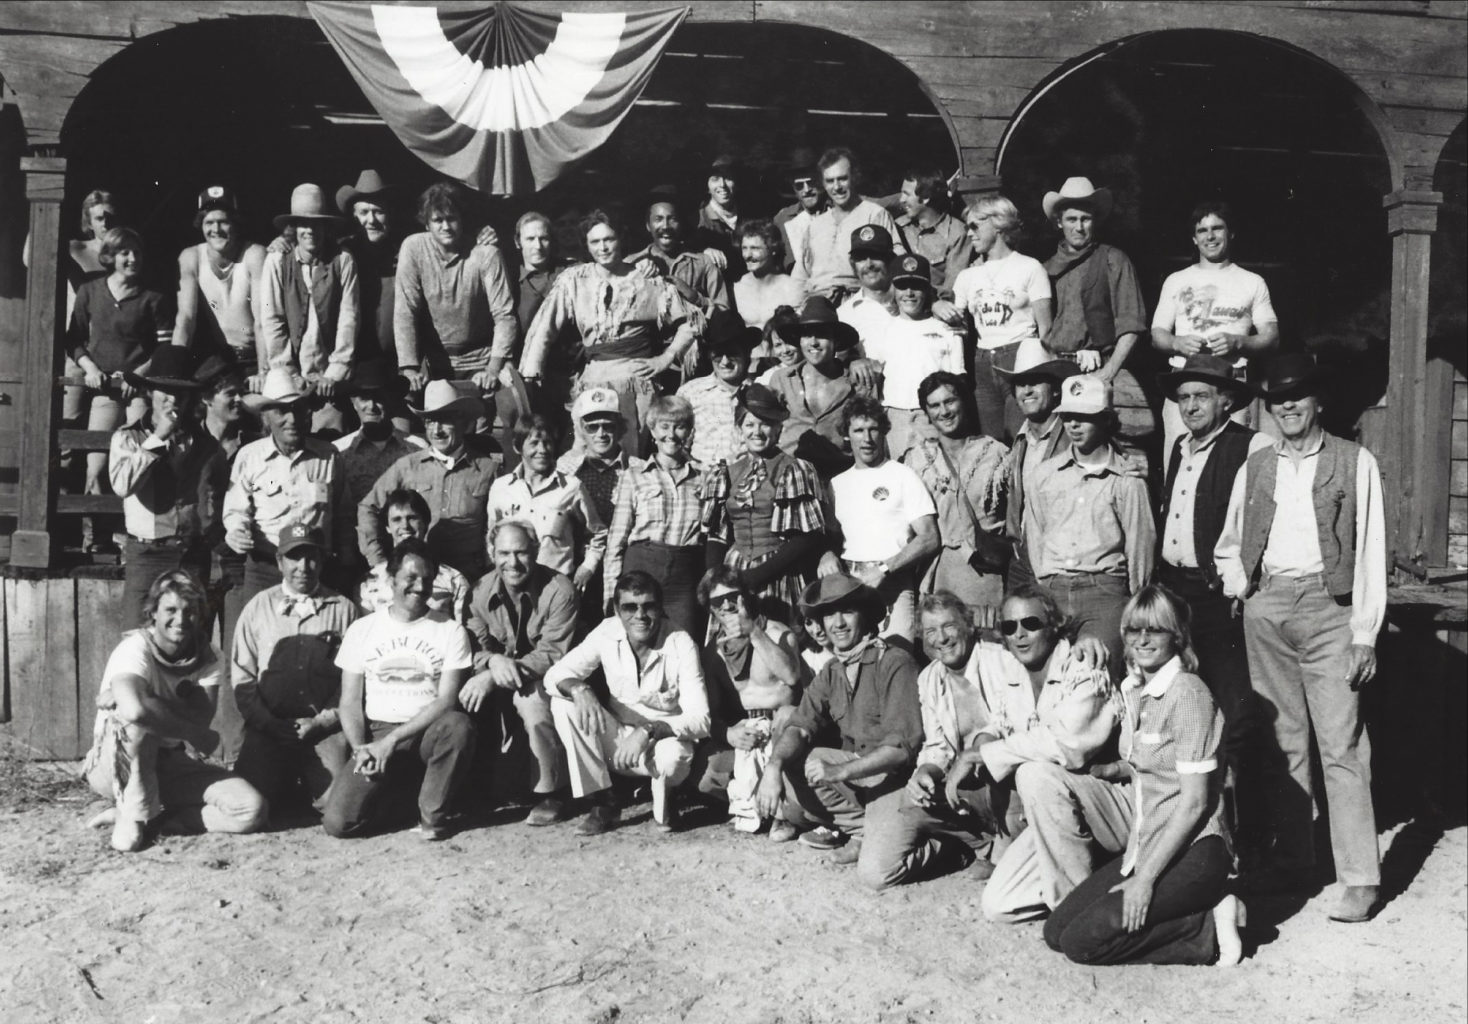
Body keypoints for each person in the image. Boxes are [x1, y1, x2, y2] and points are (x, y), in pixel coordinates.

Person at [1213, 353, 1386, 923]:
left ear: (1319, 401)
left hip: (1330, 609)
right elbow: (1229, 541)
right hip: (1268, 607)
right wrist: (1244, 589)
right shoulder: (1257, 465)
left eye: (1297, 395)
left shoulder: (1354, 461)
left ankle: (1360, 879)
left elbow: (1371, 550)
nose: (1286, 405)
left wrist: (1365, 632)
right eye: (1277, 398)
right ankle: (1293, 863)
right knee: (1283, 742)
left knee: (1342, 745)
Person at [1044, 584, 1242, 967]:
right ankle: (1189, 916)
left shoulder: (1187, 694)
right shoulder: (1136, 690)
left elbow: (1195, 802)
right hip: (1148, 843)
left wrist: (1145, 880)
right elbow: (1158, 761)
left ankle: (1207, 928)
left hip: (1195, 851)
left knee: (1081, 944)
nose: (1143, 639)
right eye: (1134, 629)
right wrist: (1114, 769)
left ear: (1177, 636)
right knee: (1057, 932)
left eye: (1156, 629)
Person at [1156, 353, 1273, 833]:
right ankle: (1187, 821)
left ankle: (1246, 828)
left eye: (1201, 396)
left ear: (1226, 401)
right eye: (1184, 397)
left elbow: (1262, 522)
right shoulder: (1179, 447)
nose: (1191, 406)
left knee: (1236, 710)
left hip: (1221, 594)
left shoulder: (1252, 446)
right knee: (1184, 705)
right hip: (1176, 593)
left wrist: (1243, 583)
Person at [754, 575, 924, 888]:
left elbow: (901, 752)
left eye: (847, 611)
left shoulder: (894, 662)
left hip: (896, 782)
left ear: (866, 616)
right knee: (795, 756)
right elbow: (800, 725)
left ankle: (941, 845)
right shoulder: (833, 670)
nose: (838, 623)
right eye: (829, 614)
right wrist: (773, 766)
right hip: (860, 780)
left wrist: (839, 771)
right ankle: (861, 831)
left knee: (876, 875)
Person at [965, 585, 1122, 923]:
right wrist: (979, 745)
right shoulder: (1013, 672)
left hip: (1108, 802)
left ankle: (1079, 911)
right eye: (1010, 627)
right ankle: (1102, 876)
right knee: (999, 904)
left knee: (1033, 772)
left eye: (1031, 623)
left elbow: (1069, 745)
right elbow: (1001, 723)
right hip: (1058, 814)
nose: (1019, 635)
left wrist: (988, 754)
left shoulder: (1082, 664)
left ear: (1053, 626)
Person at [82, 570, 268, 852]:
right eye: (170, 610)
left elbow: (200, 717)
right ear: (153, 613)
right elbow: (136, 712)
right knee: (138, 726)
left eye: (189, 611)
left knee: (251, 809)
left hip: (168, 761)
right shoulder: (134, 648)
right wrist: (187, 725)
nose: (180, 620)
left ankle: (159, 820)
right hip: (115, 764)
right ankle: (133, 816)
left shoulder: (208, 656)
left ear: (200, 615)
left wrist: (150, 701)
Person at [323, 538, 478, 840]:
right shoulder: (362, 629)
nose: (420, 587)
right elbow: (350, 701)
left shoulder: (450, 630)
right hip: (377, 732)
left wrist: (393, 740)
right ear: (391, 579)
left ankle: (432, 817)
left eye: (427, 579)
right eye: (411, 578)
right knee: (338, 823)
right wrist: (361, 748)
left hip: (426, 733)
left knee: (458, 725)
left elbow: (446, 701)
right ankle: (406, 800)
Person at [520, 210, 700, 458]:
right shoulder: (575, 279)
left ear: (620, 239)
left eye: (609, 239)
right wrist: (531, 373)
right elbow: (544, 327)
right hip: (592, 379)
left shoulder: (647, 279)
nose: (602, 248)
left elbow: (691, 322)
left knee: (632, 454)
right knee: (587, 453)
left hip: (636, 381)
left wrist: (665, 358)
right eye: (595, 241)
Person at [545, 570, 711, 835]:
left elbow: (701, 720)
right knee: (564, 702)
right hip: (618, 740)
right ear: (616, 610)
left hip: (661, 743)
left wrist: (649, 730)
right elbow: (554, 675)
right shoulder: (607, 631)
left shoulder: (681, 643)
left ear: (661, 608)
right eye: (630, 607)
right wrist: (580, 688)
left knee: (673, 762)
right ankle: (604, 800)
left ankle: (668, 794)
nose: (640, 615)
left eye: (649, 606)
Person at [891, 592, 1020, 887]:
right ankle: (980, 843)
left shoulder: (1001, 660)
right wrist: (925, 772)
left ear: (968, 626)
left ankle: (1006, 841)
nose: (941, 638)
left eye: (949, 626)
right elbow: (937, 746)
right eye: (931, 631)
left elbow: (1011, 725)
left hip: (1007, 780)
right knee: (911, 802)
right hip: (966, 785)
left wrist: (974, 752)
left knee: (999, 766)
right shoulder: (929, 678)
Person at [1027, 374, 1155, 670]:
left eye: (1084, 417)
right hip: (1053, 589)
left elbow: (1140, 545)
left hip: (1104, 591)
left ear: (1106, 420)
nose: (1073, 425)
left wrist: (1133, 598)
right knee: (1050, 673)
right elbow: (1035, 535)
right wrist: (1044, 584)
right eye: (1068, 417)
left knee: (1096, 674)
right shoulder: (1044, 475)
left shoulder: (1127, 479)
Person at [231, 524, 358, 815]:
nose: (303, 567)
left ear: (322, 561)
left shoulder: (344, 610)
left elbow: (351, 681)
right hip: (270, 728)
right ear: (279, 562)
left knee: (337, 806)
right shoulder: (257, 607)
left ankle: (307, 783)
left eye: (311, 557)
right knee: (251, 803)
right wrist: (268, 722)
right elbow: (242, 677)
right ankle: (285, 782)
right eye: (294, 557)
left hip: (322, 730)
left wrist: (322, 722)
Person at [462, 520, 578, 826]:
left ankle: (552, 792)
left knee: (533, 703)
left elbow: (552, 653)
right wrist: (491, 663)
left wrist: (497, 672)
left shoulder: (560, 591)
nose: (512, 562)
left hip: (546, 678)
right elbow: (473, 647)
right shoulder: (477, 593)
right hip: (498, 676)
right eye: (504, 553)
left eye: (521, 552)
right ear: (492, 553)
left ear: (536, 551)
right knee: (465, 694)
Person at [67, 226, 175, 553]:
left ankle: (128, 539)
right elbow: (74, 340)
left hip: (138, 393)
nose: (131, 259)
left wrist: (137, 376)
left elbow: (164, 348)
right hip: (105, 392)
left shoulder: (153, 298)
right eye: (124, 252)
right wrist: (90, 368)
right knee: (96, 466)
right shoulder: (90, 291)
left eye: (136, 252)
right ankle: (95, 539)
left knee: (137, 462)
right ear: (110, 256)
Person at [1151, 200, 1279, 454]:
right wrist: (1177, 342)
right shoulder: (1176, 280)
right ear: (1194, 238)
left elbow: (1271, 337)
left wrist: (1238, 342)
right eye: (1202, 230)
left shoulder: (1252, 281)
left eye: (1217, 228)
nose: (1210, 236)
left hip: (1230, 385)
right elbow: (1157, 335)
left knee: (1230, 462)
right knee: (1180, 460)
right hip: (1185, 381)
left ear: (1231, 233)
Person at [110, 347, 228, 621]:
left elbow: (220, 489)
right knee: (137, 632)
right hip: (147, 554)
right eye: (165, 391)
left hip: (190, 554)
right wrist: (158, 438)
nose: (172, 400)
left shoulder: (205, 443)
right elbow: (122, 486)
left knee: (190, 633)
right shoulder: (127, 438)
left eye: (181, 393)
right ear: (150, 392)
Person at [223, 367, 352, 605]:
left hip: (315, 569)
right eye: (282, 411)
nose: (291, 420)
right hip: (265, 569)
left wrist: (345, 559)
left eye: (298, 410)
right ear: (265, 417)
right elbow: (236, 510)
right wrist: (237, 532)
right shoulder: (250, 457)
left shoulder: (328, 456)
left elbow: (343, 514)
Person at [1042, 177, 1153, 451]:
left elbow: (1131, 325)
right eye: (1071, 219)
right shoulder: (1044, 269)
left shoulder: (1113, 259)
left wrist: (1108, 371)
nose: (1079, 227)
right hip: (1056, 371)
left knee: (1112, 451)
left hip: (1099, 370)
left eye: (1086, 219)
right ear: (1059, 222)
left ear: (1096, 221)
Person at [703, 383, 828, 627]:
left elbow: (806, 537)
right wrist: (717, 579)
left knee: (779, 637)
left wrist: (756, 576)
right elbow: (717, 535)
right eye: (749, 425)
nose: (757, 432)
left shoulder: (794, 469)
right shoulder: (726, 473)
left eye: (765, 424)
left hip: (779, 571)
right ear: (740, 429)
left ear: (779, 428)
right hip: (735, 570)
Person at [820, 395, 939, 644]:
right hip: (850, 586)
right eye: (858, 430)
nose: (867, 438)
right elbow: (831, 537)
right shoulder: (837, 484)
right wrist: (827, 555)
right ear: (846, 434)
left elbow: (929, 537)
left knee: (897, 653)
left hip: (893, 582)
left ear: (884, 431)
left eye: (873, 429)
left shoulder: (903, 475)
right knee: (853, 657)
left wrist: (884, 569)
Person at [358, 379, 502, 582]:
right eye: (430, 421)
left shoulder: (487, 470)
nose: (437, 430)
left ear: (463, 422)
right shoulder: (407, 466)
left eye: (445, 420)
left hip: (471, 578)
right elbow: (368, 507)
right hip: (415, 577)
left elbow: (499, 525)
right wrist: (379, 561)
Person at [699, 568, 802, 833]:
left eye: (733, 596)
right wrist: (730, 734)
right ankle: (758, 805)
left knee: (787, 718)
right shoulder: (713, 652)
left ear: (746, 596)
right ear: (711, 609)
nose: (726, 605)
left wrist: (754, 632)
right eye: (717, 601)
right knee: (705, 776)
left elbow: (791, 676)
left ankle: (784, 812)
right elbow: (711, 715)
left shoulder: (777, 633)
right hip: (749, 733)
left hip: (782, 729)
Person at [902, 372, 1009, 625]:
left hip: (982, 572)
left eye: (950, 401)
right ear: (927, 412)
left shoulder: (996, 453)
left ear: (964, 401)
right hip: (936, 575)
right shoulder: (916, 460)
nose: (944, 412)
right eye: (935, 405)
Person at [393, 182, 517, 395]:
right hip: (434, 360)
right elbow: (406, 310)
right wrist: (409, 368)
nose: (446, 227)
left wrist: (493, 369)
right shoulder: (414, 248)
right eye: (437, 220)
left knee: (508, 400)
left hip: (481, 359)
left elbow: (504, 315)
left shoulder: (485, 254)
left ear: (461, 219)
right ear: (427, 224)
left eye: (451, 219)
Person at [603, 395, 710, 637]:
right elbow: (616, 540)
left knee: (683, 642)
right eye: (664, 426)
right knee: (635, 642)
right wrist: (611, 591)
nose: (671, 434)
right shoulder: (634, 476)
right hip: (640, 571)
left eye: (680, 427)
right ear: (652, 430)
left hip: (683, 579)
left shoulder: (704, 477)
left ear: (689, 431)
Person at [954, 195, 1053, 442]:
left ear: (997, 224)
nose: (969, 234)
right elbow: (955, 327)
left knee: (1021, 436)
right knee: (992, 443)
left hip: (1020, 359)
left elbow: (1046, 329)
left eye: (975, 226)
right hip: (981, 363)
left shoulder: (1030, 267)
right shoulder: (967, 276)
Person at [259, 183, 358, 429]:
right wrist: (289, 373)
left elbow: (349, 318)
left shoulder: (342, 260)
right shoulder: (277, 261)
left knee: (329, 434)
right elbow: (272, 319)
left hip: (328, 376)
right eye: (303, 224)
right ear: (294, 228)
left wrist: (334, 373)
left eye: (317, 224)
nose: (310, 231)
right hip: (290, 376)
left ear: (326, 227)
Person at [860, 254, 966, 459]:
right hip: (894, 417)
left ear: (927, 290)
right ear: (893, 289)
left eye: (916, 286)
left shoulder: (946, 329)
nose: (909, 293)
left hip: (932, 416)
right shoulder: (883, 329)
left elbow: (958, 381)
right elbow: (874, 375)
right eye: (902, 286)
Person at [487, 414, 606, 585]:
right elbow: (492, 537)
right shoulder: (501, 488)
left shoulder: (571, 487)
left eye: (547, 442)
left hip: (557, 585)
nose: (542, 450)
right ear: (517, 447)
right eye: (534, 443)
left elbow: (597, 534)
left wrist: (588, 567)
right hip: (511, 584)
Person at [998, 344, 1080, 588]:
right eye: (1021, 384)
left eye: (1035, 382)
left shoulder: (1073, 437)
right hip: (1022, 559)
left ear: (1055, 390)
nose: (1027, 390)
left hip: (1060, 559)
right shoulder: (1019, 441)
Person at [172, 186, 268, 382]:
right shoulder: (191, 257)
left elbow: (263, 321)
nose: (216, 230)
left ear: (235, 223)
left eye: (223, 222)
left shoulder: (254, 254)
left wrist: (263, 372)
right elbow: (186, 319)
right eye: (209, 223)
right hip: (217, 360)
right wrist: (174, 372)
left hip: (254, 357)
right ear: (200, 225)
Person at [766, 295, 862, 476]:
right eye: (806, 335)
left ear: (836, 341)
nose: (813, 342)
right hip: (789, 476)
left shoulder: (856, 381)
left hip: (839, 475)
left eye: (822, 334)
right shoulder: (782, 379)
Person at [792, 147, 903, 301]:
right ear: (823, 184)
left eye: (842, 179)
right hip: (816, 303)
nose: (837, 187)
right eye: (830, 181)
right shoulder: (815, 226)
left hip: (859, 300)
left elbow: (898, 263)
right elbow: (799, 277)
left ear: (855, 177)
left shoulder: (874, 214)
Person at [357, 488, 471, 622]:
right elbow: (365, 631)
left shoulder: (453, 580)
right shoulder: (370, 582)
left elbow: (461, 629)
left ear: (425, 522)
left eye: (412, 518)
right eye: (396, 519)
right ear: (387, 527)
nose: (405, 525)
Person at [331, 358, 425, 509]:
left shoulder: (416, 449)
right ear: (353, 402)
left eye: (379, 398)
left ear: (391, 400)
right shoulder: (339, 453)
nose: (371, 406)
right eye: (364, 398)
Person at [676, 307, 760, 469]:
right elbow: (677, 443)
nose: (725, 362)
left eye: (732, 353)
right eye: (718, 354)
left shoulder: (759, 391)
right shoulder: (691, 392)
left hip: (748, 476)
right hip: (702, 474)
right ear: (709, 354)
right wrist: (697, 468)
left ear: (746, 353)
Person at [336, 169, 403, 368]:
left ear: (390, 214)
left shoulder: (406, 251)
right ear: (354, 215)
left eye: (379, 212)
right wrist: (283, 243)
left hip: (400, 361)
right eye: (364, 212)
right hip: (356, 362)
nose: (371, 220)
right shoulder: (341, 253)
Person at [630, 193, 731, 317]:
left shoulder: (703, 263)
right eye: (658, 219)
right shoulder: (632, 264)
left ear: (681, 224)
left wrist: (694, 297)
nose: (666, 226)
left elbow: (724, 312)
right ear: (648, 225)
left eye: (672, 219)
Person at [894, 169, 970, 299]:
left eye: (907, 194)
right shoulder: (898, 228)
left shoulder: (957, 234)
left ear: (925, 198)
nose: (901, 199)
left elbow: (951, 290)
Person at [732, 220, 802, 331]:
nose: (747, 255)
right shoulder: (737, 287)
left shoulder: (790, 287)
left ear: (773, 249)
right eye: (744, 248)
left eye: (755, 248)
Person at [835, 224, 897, 350]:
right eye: (861, 258)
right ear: (853, 264)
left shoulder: (913, 301)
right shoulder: (844, 315)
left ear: (890, 259)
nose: (869, 265)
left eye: (875, 256)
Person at [695, 153, 747, 279]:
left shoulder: (749, 214)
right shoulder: (697, 219)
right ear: (707, 186)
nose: (722, 185)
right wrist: (703, 252)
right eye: (715, 179)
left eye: (728, 178)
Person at [773, 157, 826, 275]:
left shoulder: (834, 211)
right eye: (799, 185)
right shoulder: (782, 219)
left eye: (811, 183)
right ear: (793, 187)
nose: (806, 190)